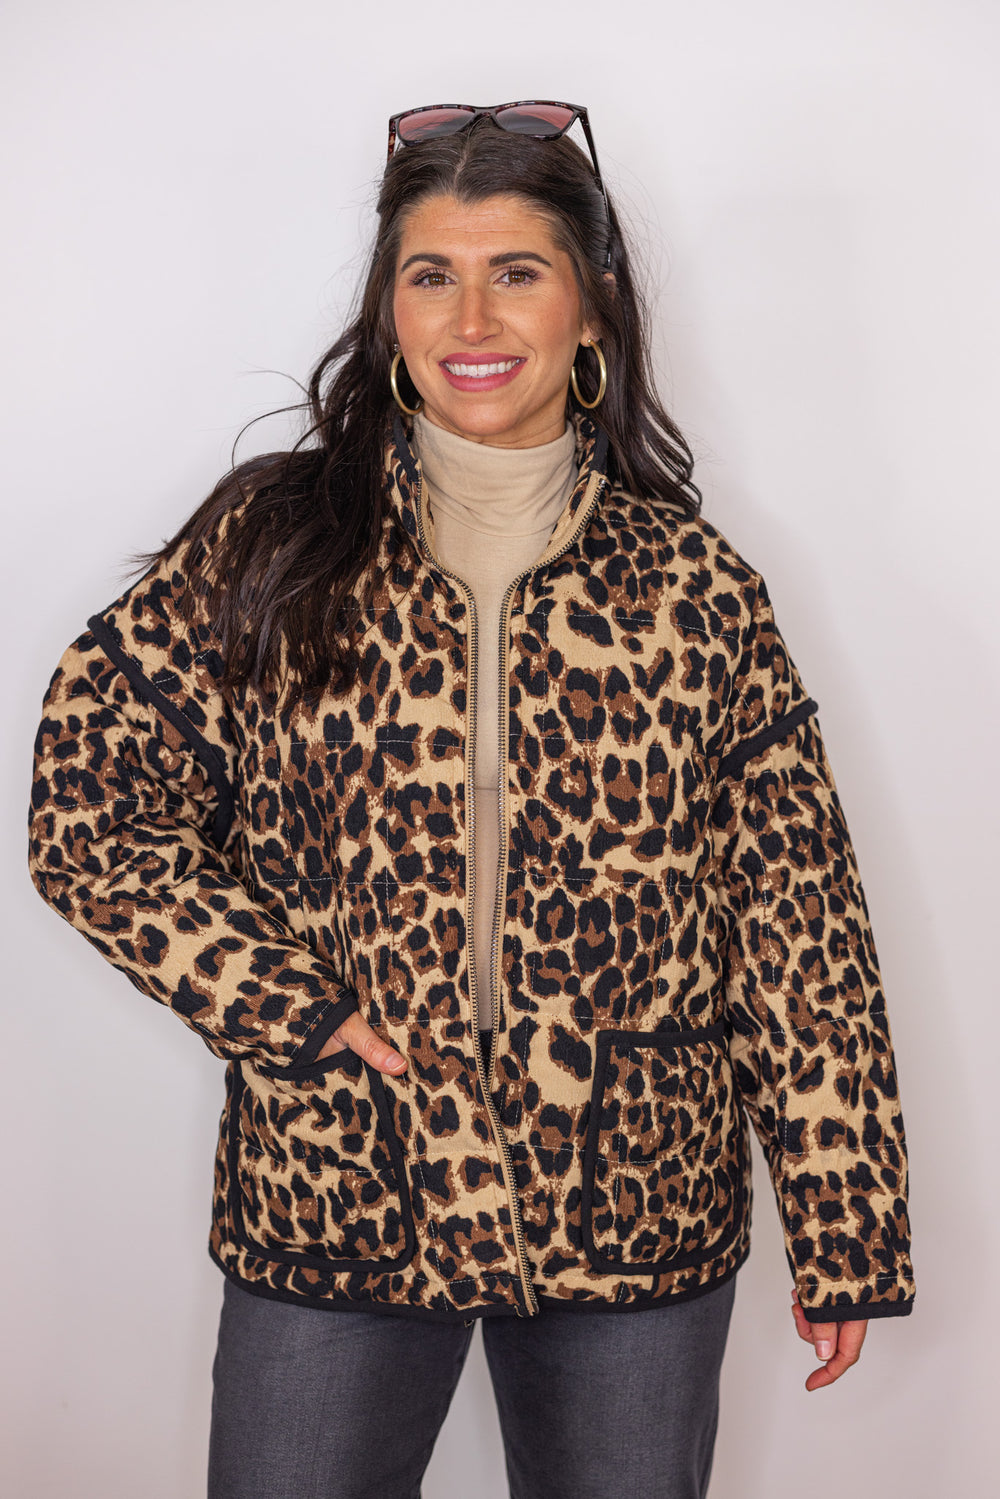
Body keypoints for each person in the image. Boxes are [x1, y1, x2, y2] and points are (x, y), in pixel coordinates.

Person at [28, 102, 914, 1499]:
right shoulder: (274, 547)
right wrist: (287, 1009)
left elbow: (796, 922)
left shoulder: (695, 589)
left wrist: (842, 1216)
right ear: (388, 308)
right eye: (431, 273)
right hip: (343, 1175)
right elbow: (90, 810)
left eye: (516, 270)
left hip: (632, 1197)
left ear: (591, 303)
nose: (471, 318)